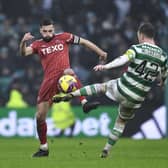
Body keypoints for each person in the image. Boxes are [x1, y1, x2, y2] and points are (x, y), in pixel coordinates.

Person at [52, 22, 168, 158]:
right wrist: (162, 82)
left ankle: (71, 94)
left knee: (103, 87)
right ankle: (106, 149)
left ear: (141, 35)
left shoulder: (137, 48)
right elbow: (164, 75)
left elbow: (122, 59)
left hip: (123, 87)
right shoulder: (163, 56)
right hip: (137, 98)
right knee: (121, 122)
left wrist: (106, 67)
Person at [19, 18, 107, 157]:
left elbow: (84, 42)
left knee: (69, 72)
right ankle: (44, 148)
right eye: (45, 31)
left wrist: (100, 52)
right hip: (49, 82)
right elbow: (23, 53)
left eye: (50, 31)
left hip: (64, 77)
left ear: (54, 29)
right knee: (40, 116)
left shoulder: (64, 37)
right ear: (40, 31)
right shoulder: (37, 44)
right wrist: (23, 41)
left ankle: (84, 102)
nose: (48, 34)